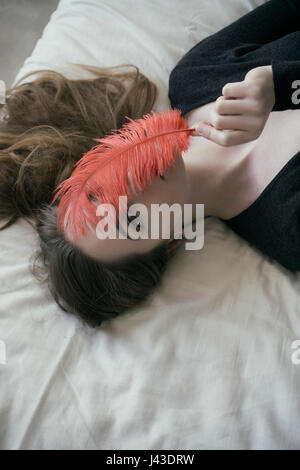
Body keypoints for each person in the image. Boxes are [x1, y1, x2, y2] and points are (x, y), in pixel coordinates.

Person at [0, 0, 299, 327]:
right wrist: (284, 85)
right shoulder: (290, 227)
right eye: (133, 220)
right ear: (169, 245)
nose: (133, 186)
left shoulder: (195, 76)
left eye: (98, 193)